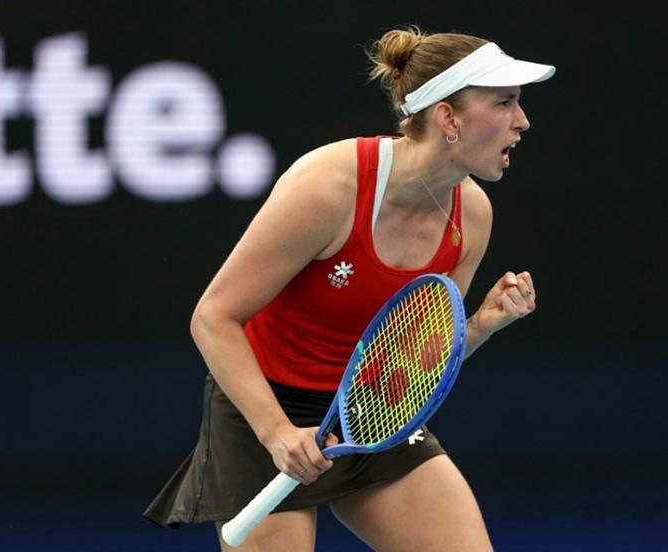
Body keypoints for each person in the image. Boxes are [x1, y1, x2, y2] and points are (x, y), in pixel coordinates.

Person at [144, 25, 555, 551]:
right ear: (448, 118)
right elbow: (213, 318)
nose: (522, 121)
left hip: (370, 416)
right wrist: (276, 433)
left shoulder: (471, 215)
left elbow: (409, 368)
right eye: (505, 104)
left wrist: (478, 327)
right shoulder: (329, 187)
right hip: (266, 409)